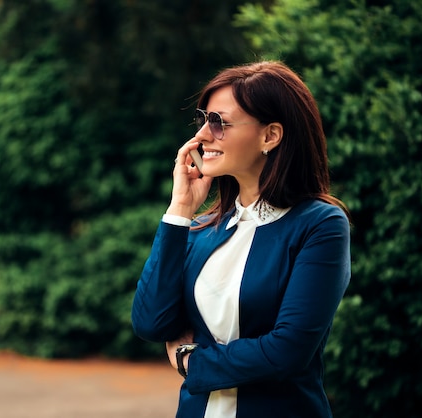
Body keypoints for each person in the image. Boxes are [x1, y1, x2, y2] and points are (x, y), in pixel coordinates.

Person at [131, 61, 351, 418]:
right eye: (203, 120)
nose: (202, 135)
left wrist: (192, 361)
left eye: (218, 122)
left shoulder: (320, 225)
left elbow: (288, 352)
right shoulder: (203, 228)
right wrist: (180, 209)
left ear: (270, 136)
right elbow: (151, 323)